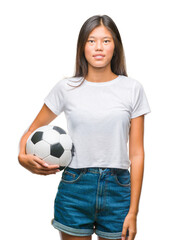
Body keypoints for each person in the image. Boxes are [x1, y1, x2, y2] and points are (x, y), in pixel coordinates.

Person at [18, 15, 151, 240]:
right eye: (91, 41)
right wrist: (22, 158)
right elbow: (32, 130)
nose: (99, 47)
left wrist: (133, 211)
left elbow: (136, 154)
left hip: (118, 189)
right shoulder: (66, 88)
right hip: (75, 188)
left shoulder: (133, 89)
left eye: (106, 41)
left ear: (115, 46)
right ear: (82, 46)